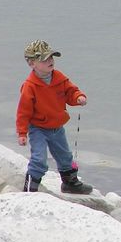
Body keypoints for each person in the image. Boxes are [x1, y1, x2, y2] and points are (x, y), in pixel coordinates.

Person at [16, 40, 93, 194]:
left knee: (65, 156)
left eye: (51, 57)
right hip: (38, 129)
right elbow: (23, 112)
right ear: (32, 63)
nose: (50, 61)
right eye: (45, 59)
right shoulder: (29, 86)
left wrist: (78, 97)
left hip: (57, 128)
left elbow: (71, 92)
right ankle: (29, 190)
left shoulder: (59, 77)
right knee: (39, 159)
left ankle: (70, 183)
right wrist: (22, 133)